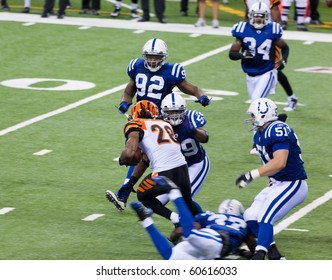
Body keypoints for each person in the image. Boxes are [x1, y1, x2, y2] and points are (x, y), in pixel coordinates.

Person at [106, 93, 210, 226]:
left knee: (144, 196)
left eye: (177, 111)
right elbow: (145, 158)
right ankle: (201, 225)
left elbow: (205, 138)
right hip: (181, 166)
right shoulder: (162, 122)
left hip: (194, 163)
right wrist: (131, 182)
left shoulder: (139, 124)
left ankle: (180, 222)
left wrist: (193, 130)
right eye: (170, 112)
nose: (174, 115)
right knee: (174, 201)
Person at [235, 97, 308, 259]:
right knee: (250, 216)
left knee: (265, 217)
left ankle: (260, 255)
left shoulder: (277, 129)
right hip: (276, 183)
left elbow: (280, 162)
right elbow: (270, 163)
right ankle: (275, 255)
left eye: (253, 115)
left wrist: (251, 175)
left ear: (263, 115)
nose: (251, 119)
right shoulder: (260, 134)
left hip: (293, 183)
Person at [131, 176, 253, 260]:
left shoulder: (210, 216)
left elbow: (180, 231)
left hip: (210, 241)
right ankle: (174, 192)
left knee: (170, 256)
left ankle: (146, 221)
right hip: (217, 244)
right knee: (190, 234)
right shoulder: (243, 223)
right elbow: (252, 243)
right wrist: (250, 253)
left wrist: (175, 238)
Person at [244, 0, 299, 112]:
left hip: (267, 37)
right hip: (254, 36)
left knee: (273, 68)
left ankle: (291, 97)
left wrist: (269, 35)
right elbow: (246, 17)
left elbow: (278, 22)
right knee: (268, 69)